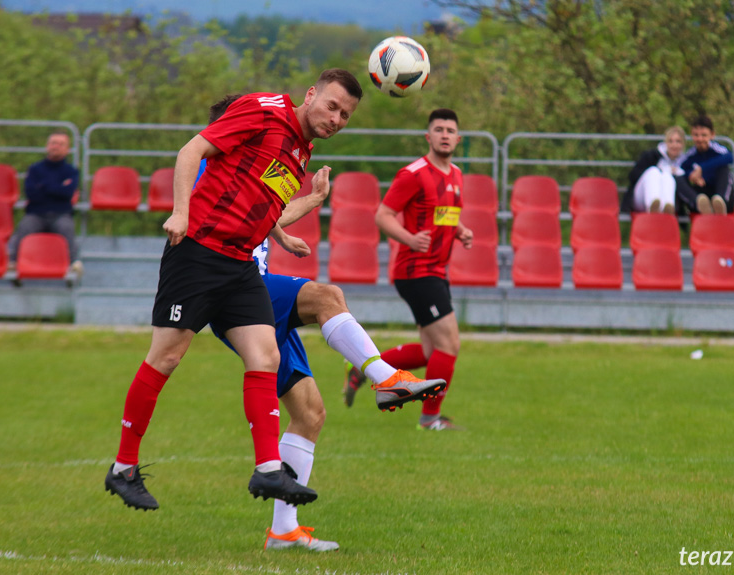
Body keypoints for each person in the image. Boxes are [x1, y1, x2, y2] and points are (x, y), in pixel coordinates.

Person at [103, 69, 372, 512]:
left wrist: (286, 233)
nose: (337, 118)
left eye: (346, 115)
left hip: (239, 263)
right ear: (311, 95)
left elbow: (260, 203)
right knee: (166, 357)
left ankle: (268, 469)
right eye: (332, 106)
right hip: (197, 252)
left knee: (265, 355)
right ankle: (123, 468)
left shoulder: (301, 150)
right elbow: (193, 149)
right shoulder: (263, 110)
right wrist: (181, 212)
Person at [200, 94, 445, 551]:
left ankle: (283, 530)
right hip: (235, 292)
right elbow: (225, 214)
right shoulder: (211, 165)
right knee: (326, 296)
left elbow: (265, 211)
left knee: (310, 415)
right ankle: (384, 377)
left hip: (255, 293)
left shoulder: (250, 166)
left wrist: (306, 205)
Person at [346, 109, 473, 431]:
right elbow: (383, 215)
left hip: (436, 271)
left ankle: (363, 368)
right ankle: (430, 419)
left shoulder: (456, 174)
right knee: (450, 345)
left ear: (458, 139)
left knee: (433, 351)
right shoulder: (413, 174)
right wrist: (409, 238)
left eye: (450, 130)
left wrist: (460, 230)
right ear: (428, 137)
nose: (445, 134)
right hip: (416, 271)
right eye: (439, 129)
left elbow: (442, 215)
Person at [7, 130, 83, 276]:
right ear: (47, 146)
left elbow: (67, 193)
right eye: (54, 143)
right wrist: (58, 187)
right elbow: (31, 193)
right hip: (36, 213)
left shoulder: (71, 171)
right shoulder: (35, 169)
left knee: (67, 228)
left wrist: (44, 186)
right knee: (25, 227)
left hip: (61, 214)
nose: (56, 146)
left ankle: (74, 263)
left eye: (61, 144)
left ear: (67, 149)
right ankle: (13, 262)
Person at [675, 115, 734, 215]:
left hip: (720, 193)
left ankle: (720, 203)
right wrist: (692, 175)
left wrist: (702, 169)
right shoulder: (690, 155)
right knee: (678, 177)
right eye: (696, 135)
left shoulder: (718, 150)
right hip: (702, 194)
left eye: (704, 135)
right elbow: (678, 168)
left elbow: (730, 157)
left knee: (724, 169)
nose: (700, 139)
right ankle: (698, 202)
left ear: (712, 135)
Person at [622, 126, 686, 215]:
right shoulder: (651, 155)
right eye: (670, 141)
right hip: (641, 198)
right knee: (653, 171)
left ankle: (667, 208)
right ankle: (653, 206)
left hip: (670, 199)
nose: (674, 145)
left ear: (683, 144)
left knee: (667, 176)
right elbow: (633, 176)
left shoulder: (685, 163)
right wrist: (660, 170)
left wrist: (676, 173)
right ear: (665, 143)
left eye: (678, 141)